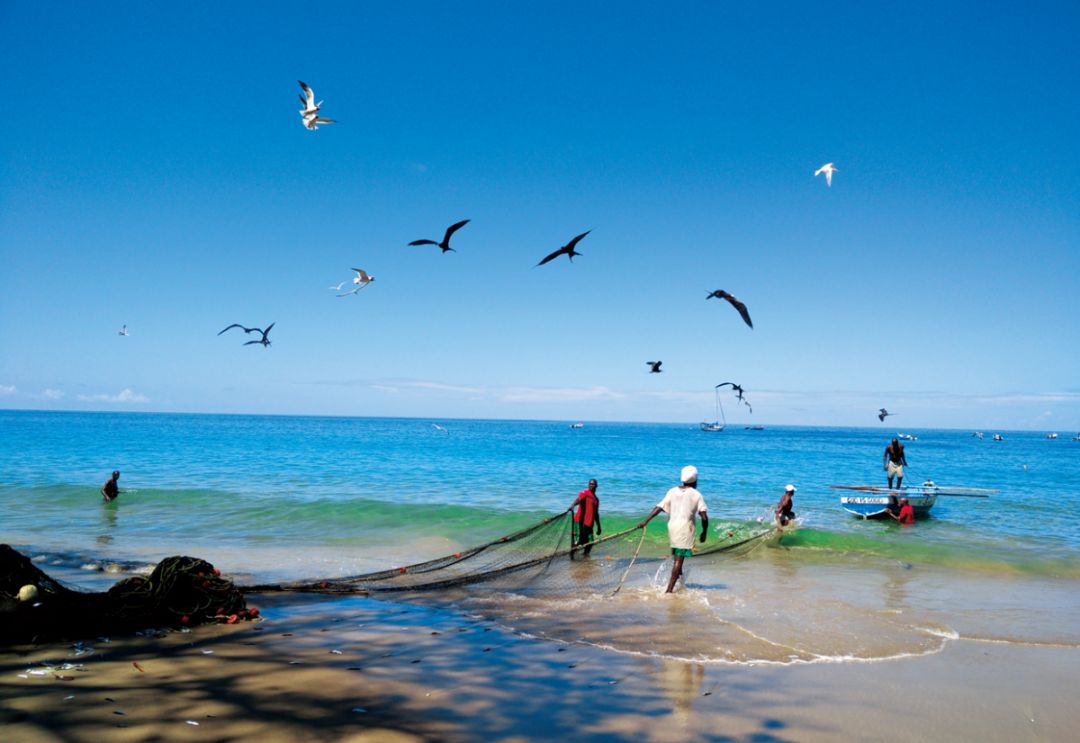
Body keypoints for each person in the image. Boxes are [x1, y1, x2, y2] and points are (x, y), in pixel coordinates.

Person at [637, 466, 709, 593]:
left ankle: (679, 583)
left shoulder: (672, 491)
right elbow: (703, 517)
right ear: (695, 481)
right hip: (685, 529)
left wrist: (645, 521)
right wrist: (704, 532)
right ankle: (669, 590)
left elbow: (659, 508)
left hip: (672, 528)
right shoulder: (696, 495)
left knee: (678, 557)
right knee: (679, 561)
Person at [570, 479, 602, 557]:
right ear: (588, 485)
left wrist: (599, 526)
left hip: (589, 524)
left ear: (596, 486)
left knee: (590, 542)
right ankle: (572, 559)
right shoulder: (585, 493)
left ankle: (585, 557)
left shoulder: (596, 500)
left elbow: (596, 514)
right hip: (580, 522)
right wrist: (573, 505)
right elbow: (579, 499)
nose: (591, 485)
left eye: (593, 484)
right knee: (577, 542)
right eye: (590, 484)